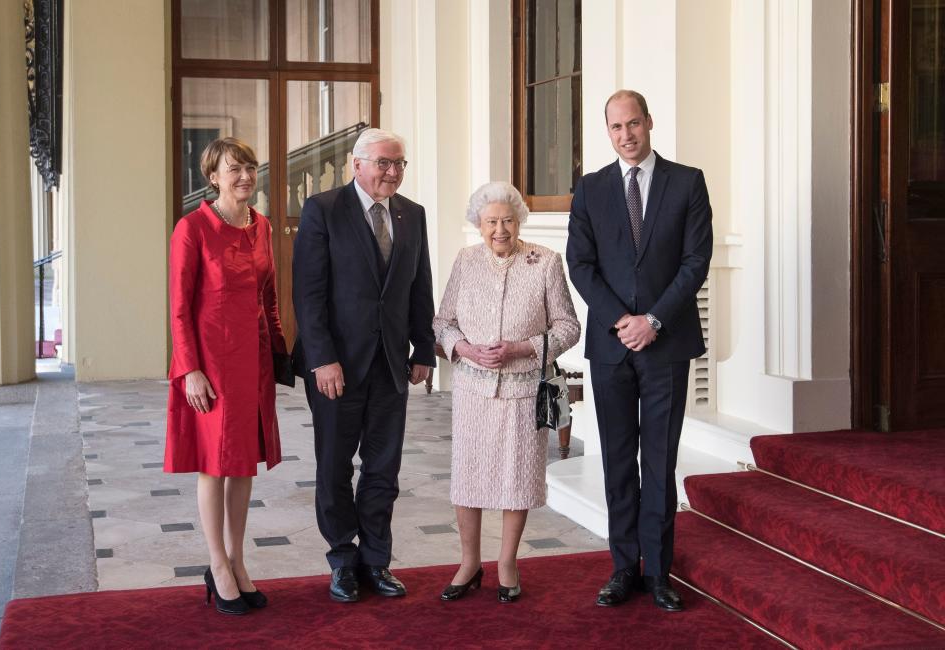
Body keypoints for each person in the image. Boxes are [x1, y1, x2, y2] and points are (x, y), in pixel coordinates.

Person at [566, 90, 713, 612]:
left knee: (659, 462)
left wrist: (652, 321)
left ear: (649, 123)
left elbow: (696, 260)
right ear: (607, 132)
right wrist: (620, 322)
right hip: (610, 349)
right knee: (616, 464)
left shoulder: (687, 182)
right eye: (615, 127)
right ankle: (623, 568)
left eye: (633, 124)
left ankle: (659, 574)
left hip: (665, 345)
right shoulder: (589, 189)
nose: (626, 135)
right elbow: (580, 265)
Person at [292, 128, 436, 603]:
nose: (392, 172)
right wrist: (322, 360)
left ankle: (376, 561)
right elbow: (308, 295)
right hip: (338, 367)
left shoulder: (411, 215)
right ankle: (341, 560)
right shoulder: (324, 210)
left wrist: (422, 350)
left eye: (399, 163)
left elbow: (420, 288)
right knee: (335, 467)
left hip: (391, 365)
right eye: (383, 163)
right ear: (357, 165)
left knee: (382, 469)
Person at [433, 181, 580, 603]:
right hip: (473, 392)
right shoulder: (465, 261)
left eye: (507, 221)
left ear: (520, 222)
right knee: (469, 477)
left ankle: (508, 562)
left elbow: (569, 326)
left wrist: (523, 348)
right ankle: (468, 562)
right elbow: (443, 321)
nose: (500, 230)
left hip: (522, 392)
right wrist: (462, 347)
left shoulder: (546, 262)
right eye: (491, 222)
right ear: (478, 225)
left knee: (518, 476)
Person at [164, 137, 287, 615]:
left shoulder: (262, 226)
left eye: (250, 168)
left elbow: (269, 296)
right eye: (234, 169)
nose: (245, 177)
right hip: (210, 366)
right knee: (214, 463)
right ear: (212, 177)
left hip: (252, 361)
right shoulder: (192, 228)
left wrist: (279, 351)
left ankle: (237, 560)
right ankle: (216, 564)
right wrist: (189, 369)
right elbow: (178, 308)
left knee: (243, 463)